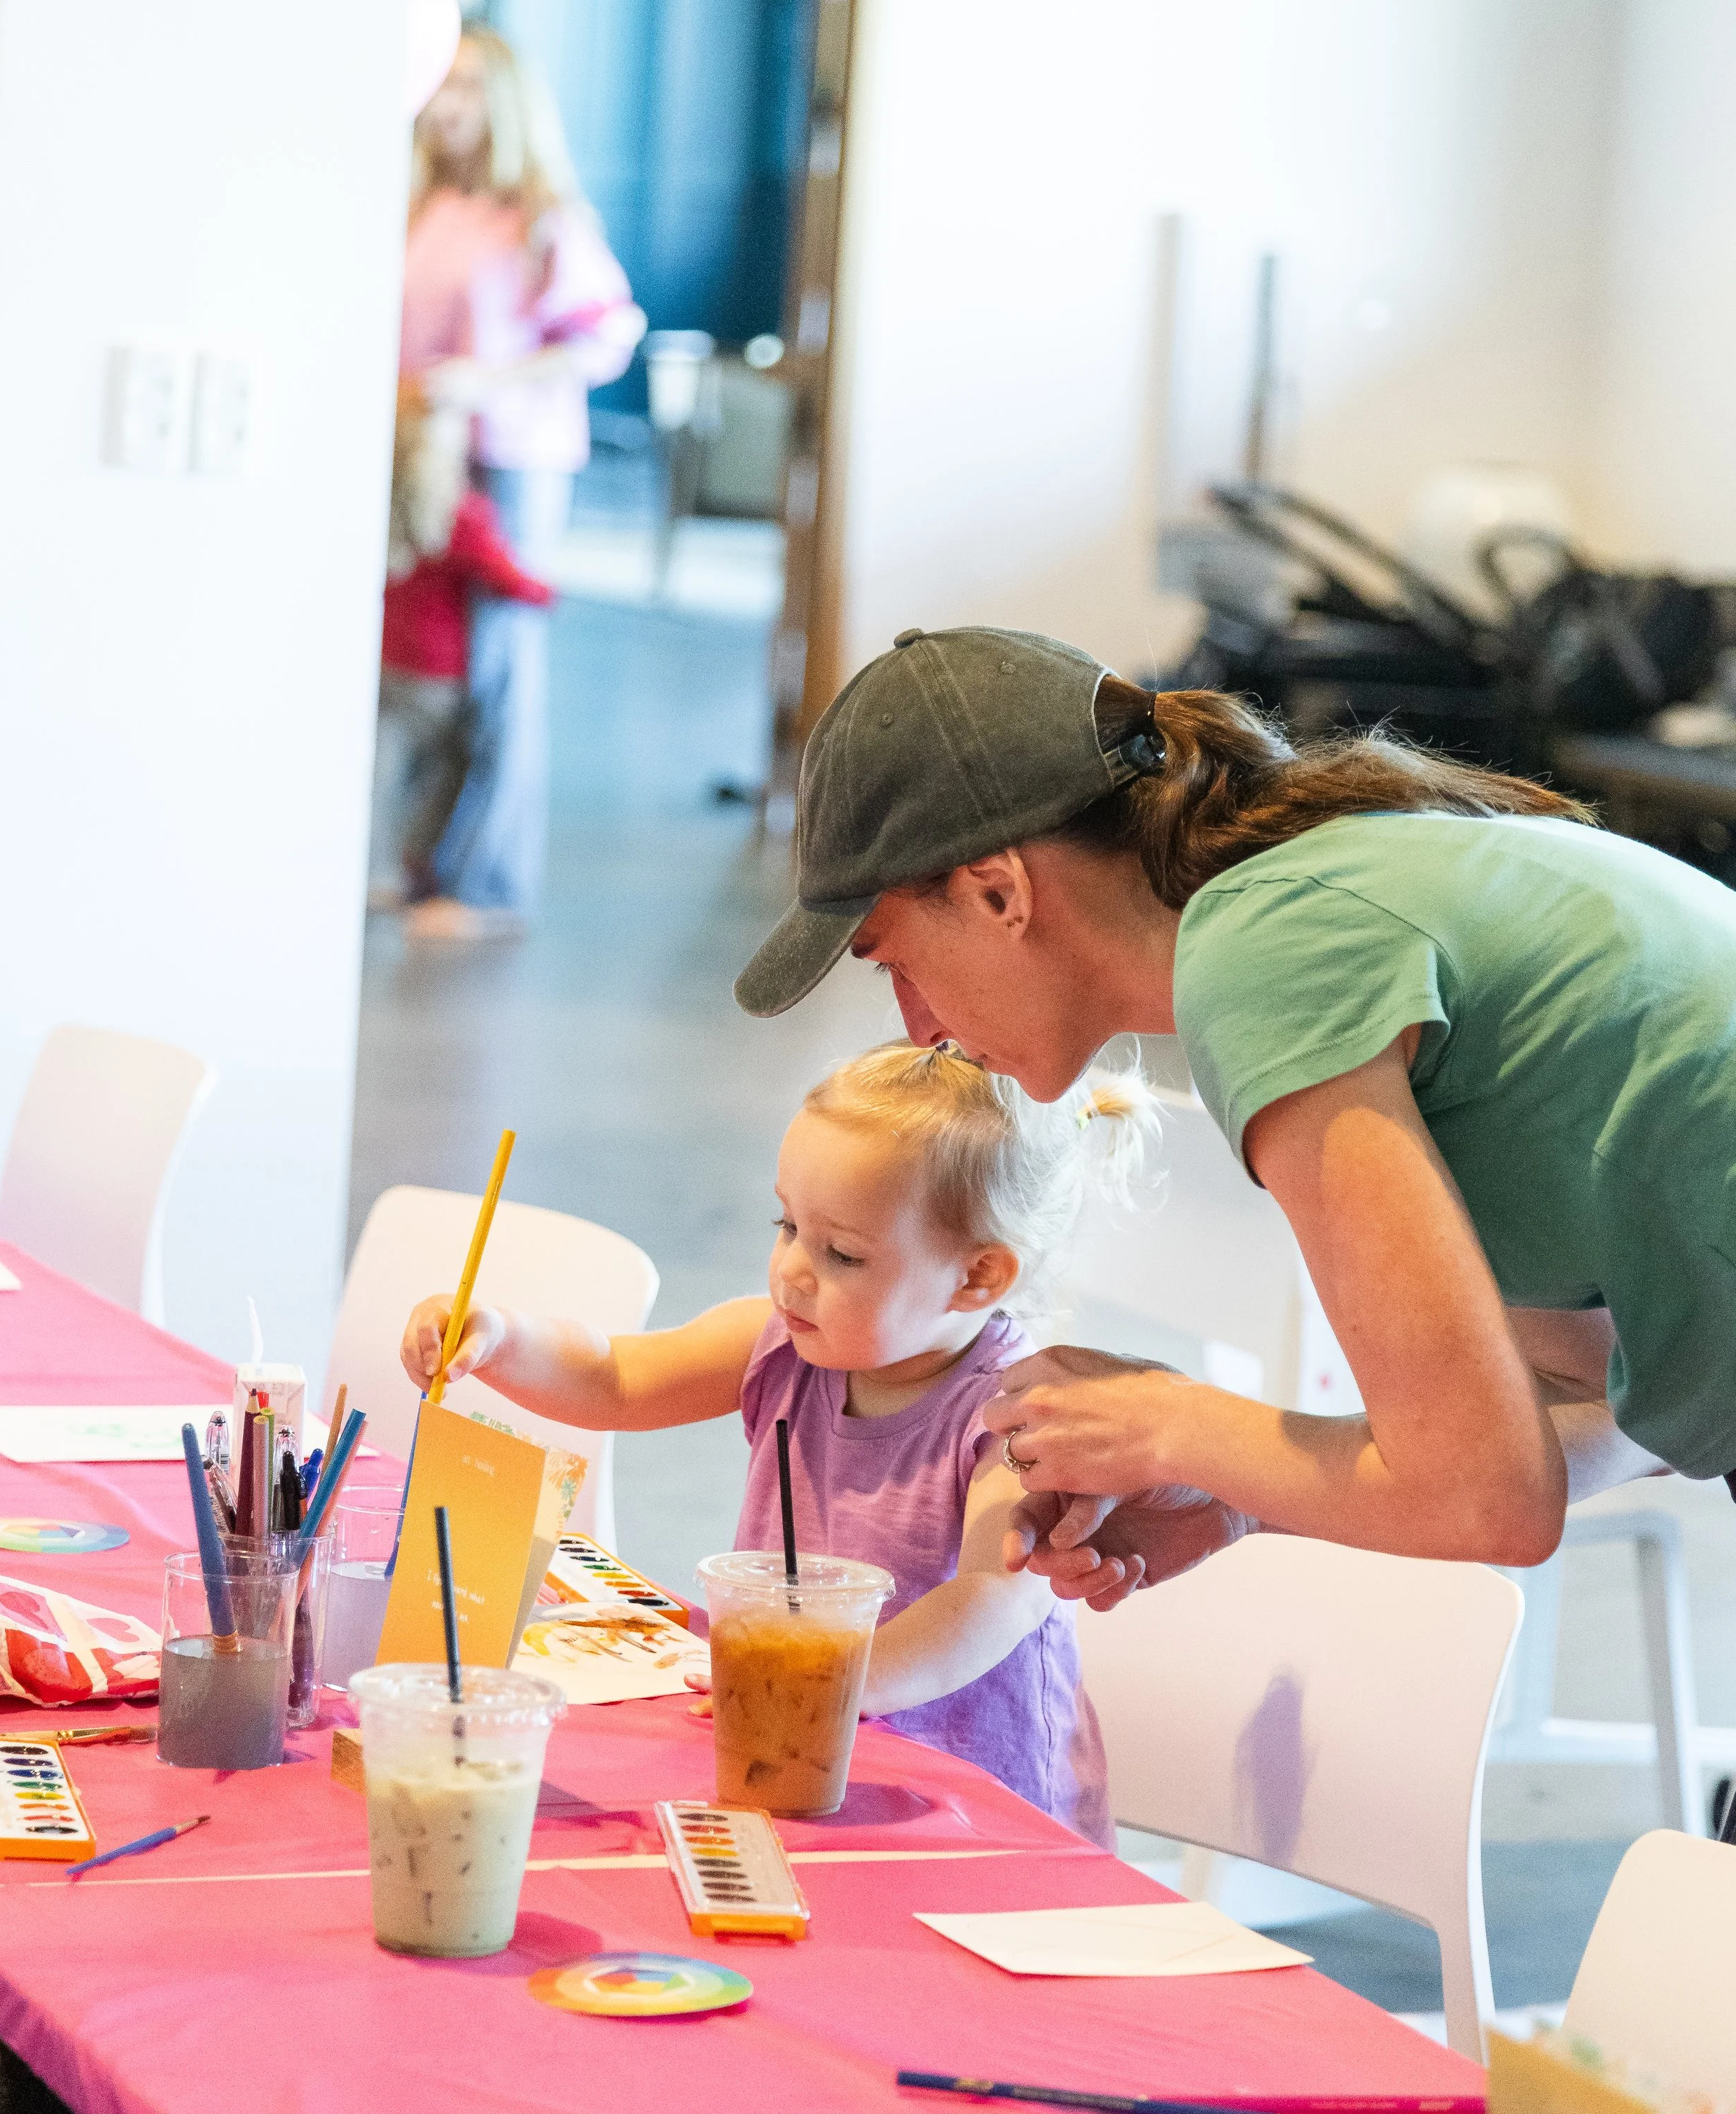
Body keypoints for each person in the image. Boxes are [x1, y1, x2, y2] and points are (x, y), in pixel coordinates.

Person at [731, 623, 1736, 1606]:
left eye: (894, 957)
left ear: (999, 891)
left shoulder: (1264, 957)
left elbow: (1489, 1501)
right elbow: (1592, 1412)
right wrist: (1238, 1490)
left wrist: (1172, 1422)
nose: (920, 1031)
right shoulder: (1327, 881)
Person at [399, 1042, 1152, 1842]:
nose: (792, 1270)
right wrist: (501, 1338)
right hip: (798, 1750)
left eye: (842, 1253)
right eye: (787, 1225)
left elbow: (988, 1602)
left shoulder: (1020, 1418)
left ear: (977, 1278)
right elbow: (617, 1377)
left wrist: (827, 1683)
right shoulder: (783, 1346)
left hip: (973, 1805)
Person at [399, 25, 645, 936]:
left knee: (500, 666)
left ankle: (488, 883)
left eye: (466, 87)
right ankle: (427, 864)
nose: (446, 103)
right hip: (433, 458)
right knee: (432, 669)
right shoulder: (427, 206)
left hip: (511, 460)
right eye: (441, 86)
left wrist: (491, 381)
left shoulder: (545, 219)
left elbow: (608, 335)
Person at [368, 388, 555, 913]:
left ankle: (372, 869)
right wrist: (549, 591)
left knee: (384, 767)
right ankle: (417, 861)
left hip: (386, 666)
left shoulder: (382, 505)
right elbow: (510, 579)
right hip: (438, 678)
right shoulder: (465, 516)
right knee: (449, 768)